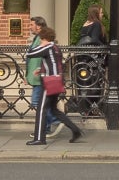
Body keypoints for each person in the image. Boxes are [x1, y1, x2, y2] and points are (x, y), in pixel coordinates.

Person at [25, 14, 82, 145]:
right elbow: (54, 64)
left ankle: (39, 138)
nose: (39, 41)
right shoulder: (55, 48)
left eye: (41, 39)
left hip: (49, 83)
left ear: (44, 38)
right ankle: (75, 130)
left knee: (41, 109)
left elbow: (31, 53)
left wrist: (39, 45)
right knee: (54, 110)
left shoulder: (47, 47)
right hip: (57, 82)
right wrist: (41, 69)